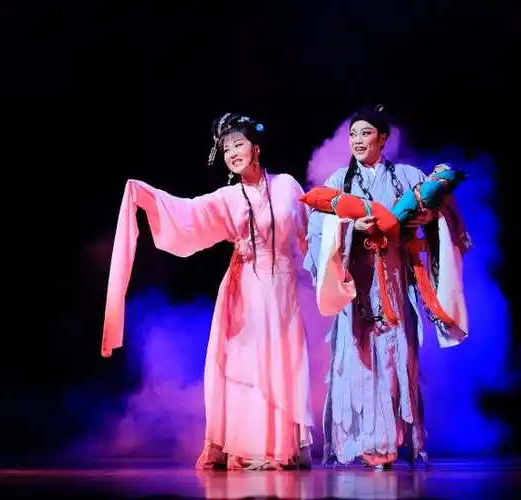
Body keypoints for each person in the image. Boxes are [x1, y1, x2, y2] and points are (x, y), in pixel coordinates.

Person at [101, 113, 315, 470]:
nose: (232, 153)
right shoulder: (227, 197)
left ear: (256, 148)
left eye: (238, 144)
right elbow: (187, 213)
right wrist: (148, 196)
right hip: (245, 288)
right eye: (226, 149)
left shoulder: (286, 186)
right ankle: (250, 444)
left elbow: (312, 231)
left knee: (283, 360)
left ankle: (285, 444)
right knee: (246, 362)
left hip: (282, 288)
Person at [304, 106, 472, 469]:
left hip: (394, 282)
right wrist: (350, 228)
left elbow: (442, 212)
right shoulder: (339, 180)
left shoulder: (407, 177)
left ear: (382, 139)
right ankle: (363, 444)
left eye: (365, 133)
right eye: (353, 134)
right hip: (356, 283)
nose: (357, 141)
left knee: (395, 358)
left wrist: (429, 217)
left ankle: (389, 442)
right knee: (357, 359)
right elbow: (316, 228)